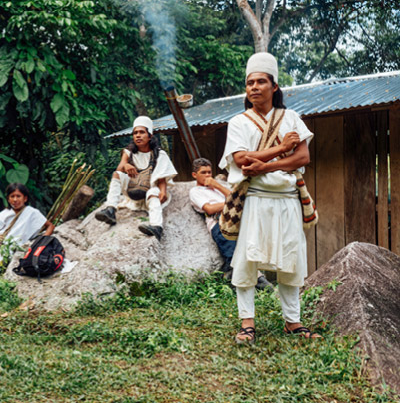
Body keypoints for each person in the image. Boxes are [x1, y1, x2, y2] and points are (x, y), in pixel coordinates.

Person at [219, 52, 321, 344]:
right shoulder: (239, 122)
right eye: (249, 82)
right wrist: (278, 151)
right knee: (247, 260)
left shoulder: (291, 118)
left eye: (261, 82)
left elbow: (303, 156)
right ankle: (247, 324)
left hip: (287, 198)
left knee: (292, 258)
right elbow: (241, 160)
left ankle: (293, 322)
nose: (253, 87)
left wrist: (266, 165)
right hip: (256, 199)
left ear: (274, 86)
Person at [189, 158, 273, 290]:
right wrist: (229, 204)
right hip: (219, 224)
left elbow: (236, 198)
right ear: (195, 175)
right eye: (203, 172)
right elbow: (209, 209)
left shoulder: (216, 188)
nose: (207, 176)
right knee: (232, 254)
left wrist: (217, 186)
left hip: (236, 221)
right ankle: (254, 282)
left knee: (245, 251)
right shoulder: (195, 192)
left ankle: (243, 280)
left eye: (209, 172)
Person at [95, 116, 177, 239]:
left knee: (154, 192)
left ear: (149, 136)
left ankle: (156, 227)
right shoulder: (128, 152)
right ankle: (111, 209)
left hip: (149, 193)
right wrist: (126, 165)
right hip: (132, 192)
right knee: (116, 174)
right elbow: (119, 168)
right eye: (135, 133)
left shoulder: (160, 154)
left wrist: (163, 192)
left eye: (142, 132)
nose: (138, 135)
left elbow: (162, 177)